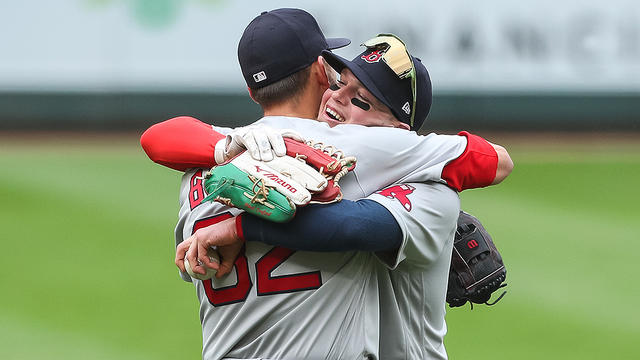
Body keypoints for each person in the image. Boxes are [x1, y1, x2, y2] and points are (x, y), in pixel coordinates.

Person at [141, 8, 513, 360]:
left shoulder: (211, 163)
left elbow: (157, 137)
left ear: (253, 92)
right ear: (322, 71)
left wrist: (224, 162)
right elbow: (493, 161)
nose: (337, 98)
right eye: (341, 83)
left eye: (361, 101)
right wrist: (242, 225)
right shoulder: (352, 152)